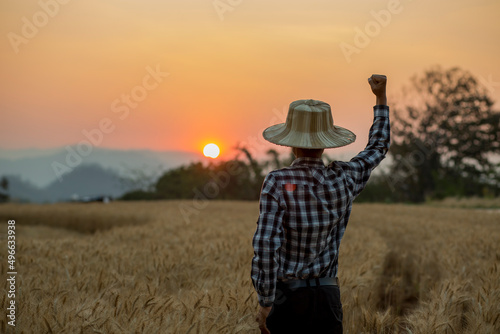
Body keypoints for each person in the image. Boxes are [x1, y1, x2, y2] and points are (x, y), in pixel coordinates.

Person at [251, 74, 390, 333]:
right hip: (327, 299)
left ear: (292, 143)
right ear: (326, 144)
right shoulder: (345, 177)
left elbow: (266, 245)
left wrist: (266, 301)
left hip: (287, 301)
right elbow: (378, 147)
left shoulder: (277, 182)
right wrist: (380, 98)